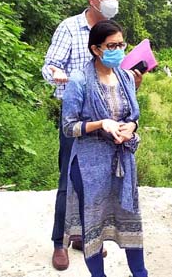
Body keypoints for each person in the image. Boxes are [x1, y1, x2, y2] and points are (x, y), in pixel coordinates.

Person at [42, 0, 125, 270]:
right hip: (76, 121)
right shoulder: (70, 28)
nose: (114, 1)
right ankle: (59, 242)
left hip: (107, 121)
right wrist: (59, 75)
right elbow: (49, 65)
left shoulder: (111, 33)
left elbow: (115, 71)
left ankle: (85, 236)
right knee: (69, 180)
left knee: (97, 183)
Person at [61, 20, 148, 277]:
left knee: (130, 218)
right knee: (93, 225)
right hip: (89, 165)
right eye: (112, 46)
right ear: (96, 49)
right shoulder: (79, 81)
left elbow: (133, 115)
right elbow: (69, 127)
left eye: (121, 44)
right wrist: (101, 124)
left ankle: (140, 273)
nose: (118, 50)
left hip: (122, 161)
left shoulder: (125, 77)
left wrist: (130, 127)